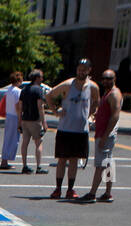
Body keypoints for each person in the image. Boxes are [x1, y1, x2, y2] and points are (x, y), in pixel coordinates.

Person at [45, 59, 99, 200]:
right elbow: (49, 95)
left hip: (81, 131)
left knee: (74, 160)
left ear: (89, 70)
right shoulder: (68, 85)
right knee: (62, 159)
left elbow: (96, 101)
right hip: (65, 129)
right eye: (79, 69)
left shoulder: (93, 87)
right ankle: (57, 189)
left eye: (84, 69)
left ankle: (70, 189)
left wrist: (91, 114)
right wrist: (55, 111)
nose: (81, 72)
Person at [82, 69, 122, 203]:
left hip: (106, 134)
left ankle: (92, 193)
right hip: (104, 133)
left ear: (114, 79)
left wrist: (105, 136)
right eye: (104, 78)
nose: (106, 80)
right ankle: (108, 193)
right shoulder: (108, 93)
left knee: (100, 165)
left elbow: (115, 116)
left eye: (109, 78)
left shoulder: (114, 94)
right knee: (109, 163)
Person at [19, 69, 48, 174]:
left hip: (25, 119)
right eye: (41, 77)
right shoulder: (38, 90)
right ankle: (39, 167)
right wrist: (44, 122)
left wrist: (19, 121)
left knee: (25, 143)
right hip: (35, 120)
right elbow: (40, 107)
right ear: (37, 78)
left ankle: (24, 165)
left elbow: (20, 107)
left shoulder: (24, 90)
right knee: (39, 142)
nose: (42, 79)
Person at [0, 71, 23, 169]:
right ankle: (5, 161)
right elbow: (17, 106)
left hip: (9, 115)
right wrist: (20, 120)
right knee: (13, 139)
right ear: (19, 80)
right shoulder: (18, 91)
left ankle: (4, 160)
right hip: (14, 116)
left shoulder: (9, 90)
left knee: (7, 138)